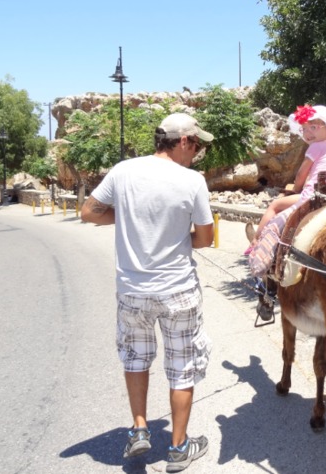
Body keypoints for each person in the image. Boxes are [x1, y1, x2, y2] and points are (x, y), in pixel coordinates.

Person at [81, 112, 215, 472]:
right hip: (177, 290)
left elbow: (89, 212)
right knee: (182, 365)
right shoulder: (192, 180)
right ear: (183, 141)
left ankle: (139, 429)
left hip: (132, 291)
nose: (198, 152)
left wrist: (127, 218)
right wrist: (177, 238)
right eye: (197, 145)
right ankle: (178, 447)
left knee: (135, 359)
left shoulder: (123, 171)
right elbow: (205, 239)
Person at [245, 104, 326, 255]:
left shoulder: (315, 147)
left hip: (313, 195)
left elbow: (301, 173)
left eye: (313, 127)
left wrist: (296, 188)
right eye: (304, 129)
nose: (307, 133)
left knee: (275, 205)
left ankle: (256, 241)